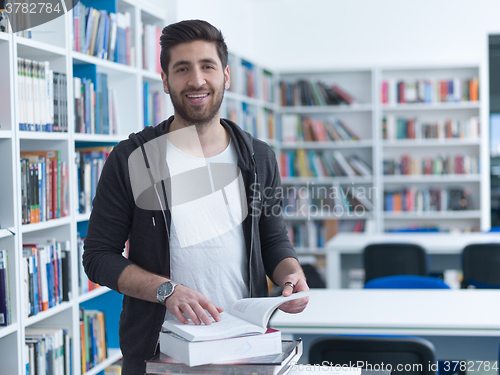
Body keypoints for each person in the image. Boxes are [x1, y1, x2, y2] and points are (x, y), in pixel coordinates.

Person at [83, 19, 309, 375]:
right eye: (182, 69)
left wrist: (292, 274)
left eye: (208, 66)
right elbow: (98, 257)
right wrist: (166, 290)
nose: (197, 80)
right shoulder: (133, 157)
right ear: (165, 80)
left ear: (226, 76)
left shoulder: (258, 157)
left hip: (243, 347)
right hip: (157, 352)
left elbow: (274, 241)